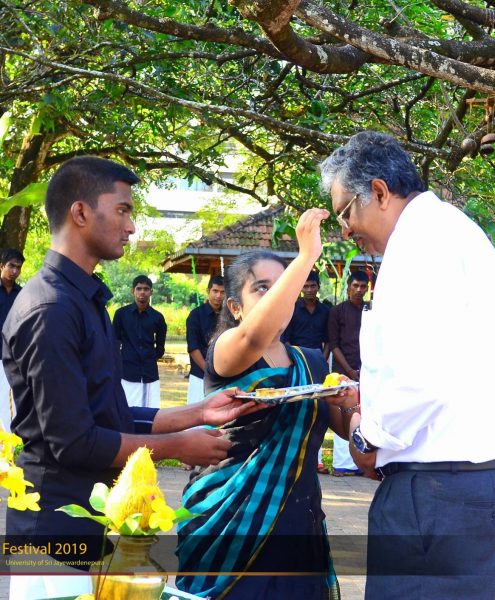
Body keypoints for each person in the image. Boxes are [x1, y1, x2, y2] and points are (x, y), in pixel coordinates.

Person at [1, 156, 261, 600]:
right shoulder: (51, 309)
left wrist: (199, 412)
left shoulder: (84, 300)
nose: (132, 226)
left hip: (86, 522)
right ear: (80, 213)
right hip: (52, 532)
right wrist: (179, 447)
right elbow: (75, 441)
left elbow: (110, 415)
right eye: (122, 210)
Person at [320, 130, 495, 599]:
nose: (345, 230)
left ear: (379, 192)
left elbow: (423, 379)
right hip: (466, 488)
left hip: (434, 496)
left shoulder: (420, 245)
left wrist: (366, 435)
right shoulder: (454, 232)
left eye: (345, 212)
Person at [176, 209, 360, 600]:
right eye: (263, 288)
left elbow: (344, 427)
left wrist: (348, 401)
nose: (280, 295)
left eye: (284, 286)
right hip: (230, 524)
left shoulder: (312, 361)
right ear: (235, 307)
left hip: (298, 524)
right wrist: (306, 256)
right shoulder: (228, 351)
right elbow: (254, 337)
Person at [283, 270, 332, 474]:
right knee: (295, 409)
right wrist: (296, 361)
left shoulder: (326, 311)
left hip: (318, 364)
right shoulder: (292, 309)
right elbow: (285, 339)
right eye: (306, 286)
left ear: (318, 287)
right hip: (296, 364)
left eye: (313, 286)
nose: (309, 290)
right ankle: (292, 458)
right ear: (301, 288)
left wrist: (321, 360)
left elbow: (329, 340)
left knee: (318, 410)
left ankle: (315, 460)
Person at [327, 270, 370, 476]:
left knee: (365, 415)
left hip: (367, 371)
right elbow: (334, 344)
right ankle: (341, 464)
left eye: (363, 287)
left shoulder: (370, 311)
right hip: (343, 371)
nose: (359, 290)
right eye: (355, 286)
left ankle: (362, 462)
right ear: (348, 287)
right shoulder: (337, 312)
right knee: (343, 412)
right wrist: (349, 370)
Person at [113, 274, 167, 408]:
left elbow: (160, 348)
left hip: (149, 373)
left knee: (150, 410)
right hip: (126, 372)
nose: (142, 292)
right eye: (139, 289)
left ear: (151, 292)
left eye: (146, 289)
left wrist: (148, 358)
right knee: (125, 409)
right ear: (133, 291)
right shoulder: (121, 314)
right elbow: (114, 342)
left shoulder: (157, 317)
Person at [185, 275, 224, 404]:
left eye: (222, 292)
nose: (218, 296)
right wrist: (208, 370)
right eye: (215, 291)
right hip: (200, 376)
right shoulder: (195, 315)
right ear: (208, 291)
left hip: (224, 376)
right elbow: (193, 347)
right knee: (196, 412)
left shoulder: (229, 316)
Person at [0, 248, 25, 432]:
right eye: (11, 266)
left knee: (9, 398)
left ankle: (9, 437)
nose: (15, 271)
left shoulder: (22, 294)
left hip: (13, 355)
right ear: (2, 266)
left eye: (18, 267)